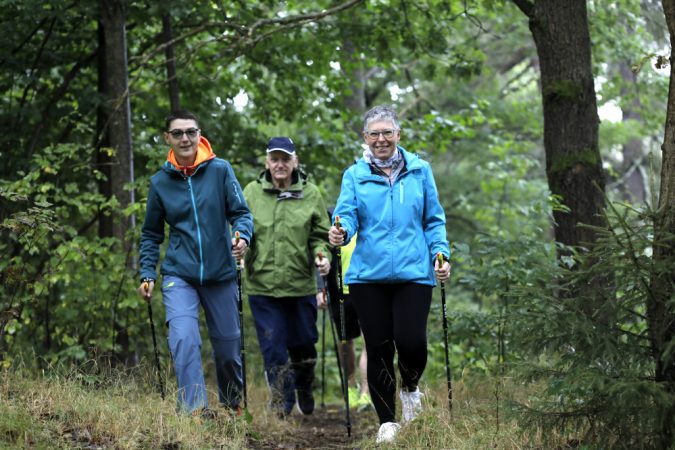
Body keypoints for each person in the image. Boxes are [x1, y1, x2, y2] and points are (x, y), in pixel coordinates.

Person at [328, 105, 451, 443]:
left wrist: (441, 254)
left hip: (413, 273)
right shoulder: (354, 174)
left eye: (387, 132)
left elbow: (433, 219)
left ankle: (410, 389)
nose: (381, 139)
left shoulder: (420, 170)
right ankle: (387, 423)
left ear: (398, 135)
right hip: (368, 276)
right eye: (374, 133)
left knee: (411, 342)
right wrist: (341, 232)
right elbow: (346, 215)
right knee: (378, 346)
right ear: (365, 138)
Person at [137, 110, 253, 418]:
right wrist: (147, 273)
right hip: (180, 274)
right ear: (168, 138)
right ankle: (193, 413)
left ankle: (232, 407)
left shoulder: (220, 171)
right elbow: (150, 234)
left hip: (221, 273)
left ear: (199, 133)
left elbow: (240, 213)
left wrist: (242, 237)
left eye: (191, 132)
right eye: (178, 133)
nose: (185, 138)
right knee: (184, 339)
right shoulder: (160, 182)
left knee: (228, 349)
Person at [243, 136, 332, 418]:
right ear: (267, 163)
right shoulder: (252, 192)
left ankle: (305, 385)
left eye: (285, 159)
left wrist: (321, 254)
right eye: (275, 159)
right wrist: (241, 246)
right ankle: (282, 400)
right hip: (263, 285)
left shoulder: (311, 194)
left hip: (300, 285)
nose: (280, 164)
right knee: (273, 346)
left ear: (295, 162)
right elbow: (241, 226)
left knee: (303, 344)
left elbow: (320, 234)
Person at [317, 208, 370, 410]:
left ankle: (366, 391)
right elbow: (321, 251)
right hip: (340, 291)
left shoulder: (371, 214)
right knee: (345, 342)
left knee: (370, 341)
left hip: (366, 287)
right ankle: (350, 386)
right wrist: (321, 288)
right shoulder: (334, 217)